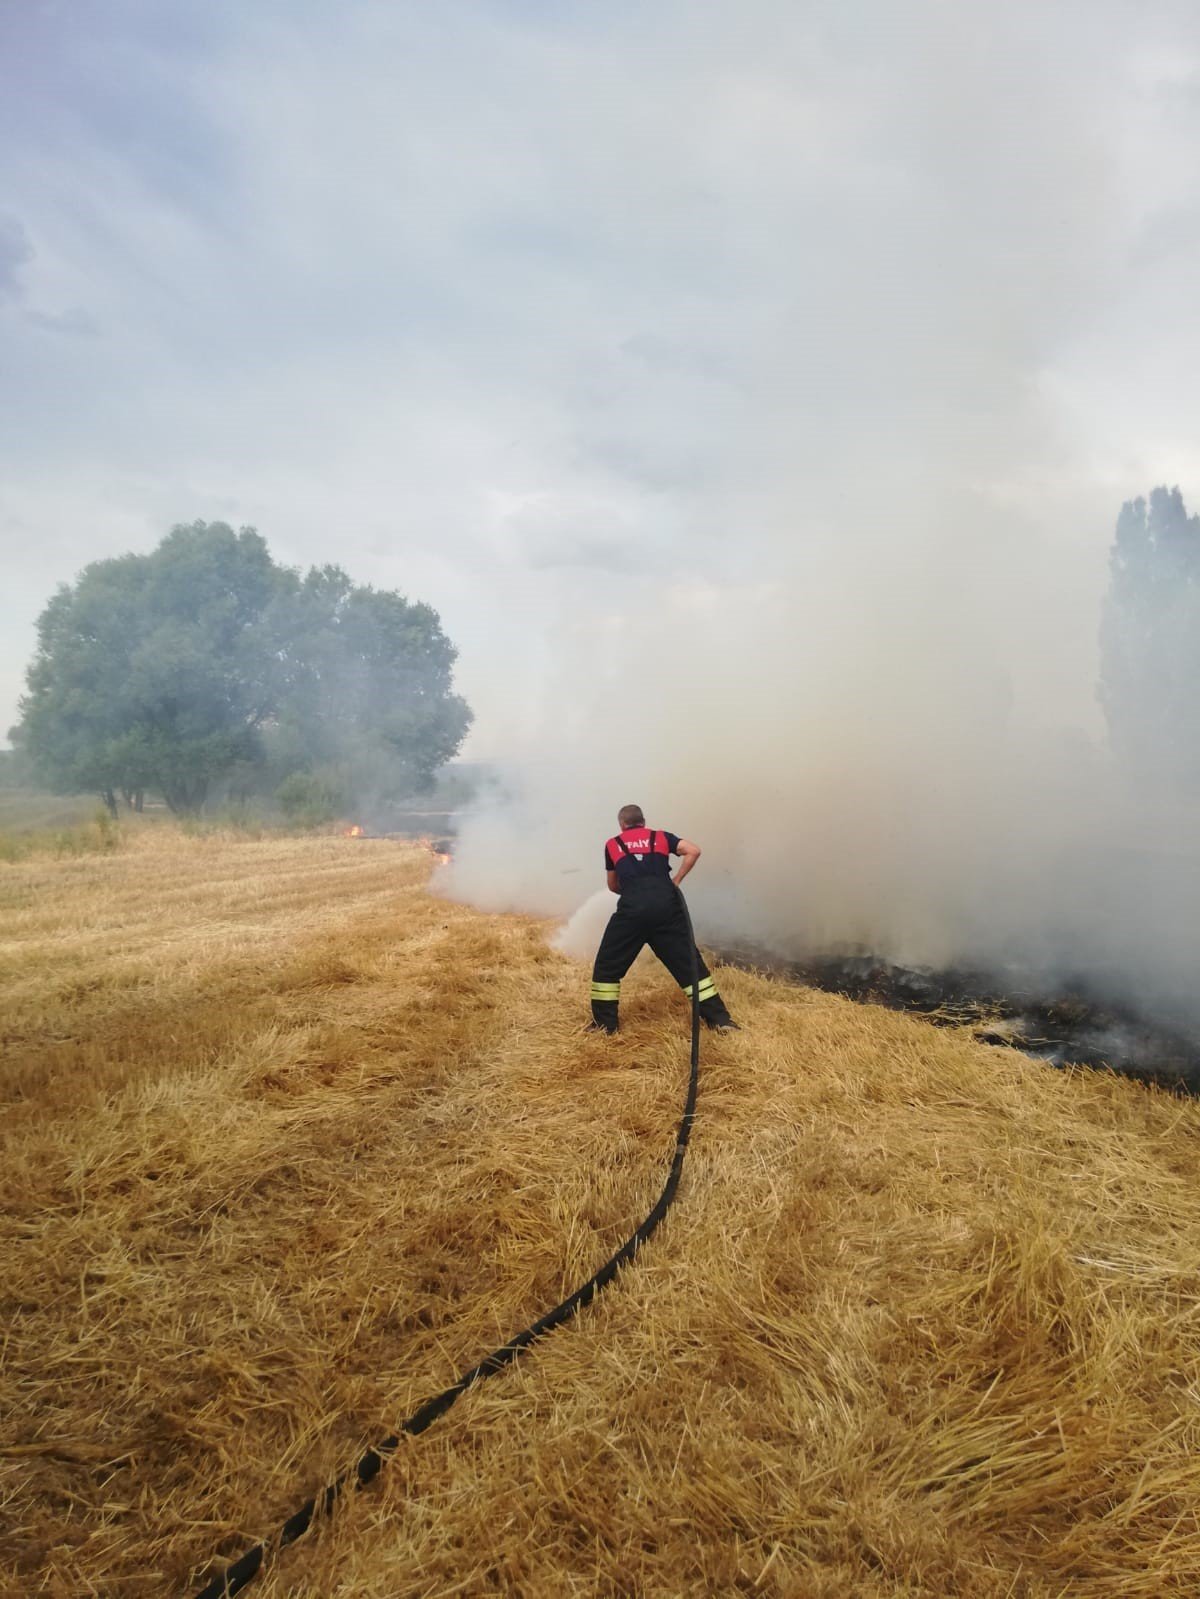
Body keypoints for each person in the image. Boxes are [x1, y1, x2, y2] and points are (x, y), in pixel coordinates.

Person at [589, 803, 739, 1034]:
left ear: (622, 824)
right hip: (667, 909)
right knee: (690, 967)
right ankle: (720, 1021)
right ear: (643, 822)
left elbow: (612, 885)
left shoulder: (613, 844)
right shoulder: (660, 837)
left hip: (632, 913)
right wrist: (676, 880)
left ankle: (605, 1026)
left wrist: (636, 893)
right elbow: (694, 850)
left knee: (607, 967)